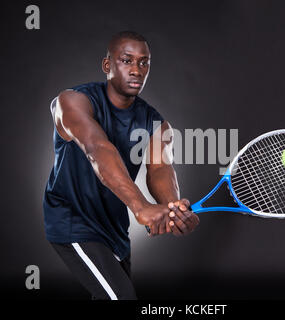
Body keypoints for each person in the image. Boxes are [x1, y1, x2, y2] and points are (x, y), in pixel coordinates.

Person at [43, 31, 199, 300]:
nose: (137, 70)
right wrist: (141, 208)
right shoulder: (72, 101)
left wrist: (172, 208)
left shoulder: (156, 123)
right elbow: (98, 150)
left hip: (114, 229)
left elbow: (160, 168)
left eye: (144, 62)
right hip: (73, 220)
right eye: (127, 61)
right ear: (108, 66)